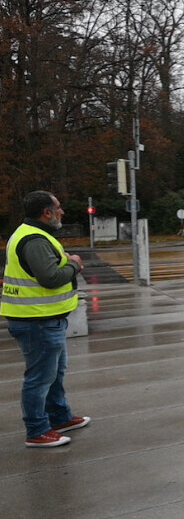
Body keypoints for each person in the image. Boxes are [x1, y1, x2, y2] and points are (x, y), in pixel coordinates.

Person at [2, 191, 89, 448]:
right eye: (58, 208)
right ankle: (37, 430)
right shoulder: (35, 239)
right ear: (46, 213)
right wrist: (74, 264)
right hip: (36, 321)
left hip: (43, 319)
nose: (62, 212)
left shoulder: (32, 234)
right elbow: (50, 278)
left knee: (53, 373)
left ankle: (59, 417)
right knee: (40, 377)